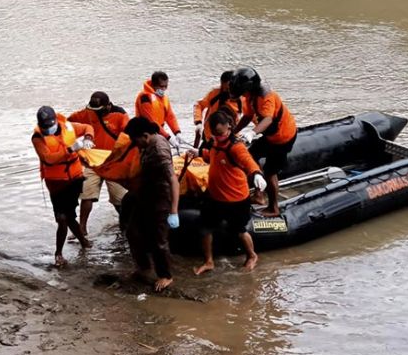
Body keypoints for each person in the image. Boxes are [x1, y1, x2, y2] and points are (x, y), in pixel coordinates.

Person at [188, 110, 267, 275]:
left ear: (229, 127)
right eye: (215, 134)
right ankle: (209, 261)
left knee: (239, 230)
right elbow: (211, 156)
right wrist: (199, 153)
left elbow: (248, 161)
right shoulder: (215, 142)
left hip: (235, 199)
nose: (218, 136)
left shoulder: (236, 147)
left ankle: (252, 256)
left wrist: (257, 174)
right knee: (205, 228)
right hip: (215, 196)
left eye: (221, 133)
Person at [31, 106, 94, 267]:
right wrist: (71, 149)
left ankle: (83, 242)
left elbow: (88, 127)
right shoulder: (38, 137)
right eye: (44, 127)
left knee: (69, 215)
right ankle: (59, 253)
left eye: (49, 126)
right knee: (62, 218)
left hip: (74, 179)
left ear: (55, 121)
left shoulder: (68, 126)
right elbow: (48, 159)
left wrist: (88, 138)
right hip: (56, 183)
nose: (47, 129)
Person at [122, 117, 180, 292]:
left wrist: (174, 211)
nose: (134, 143)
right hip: (146, 194)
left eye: (135, 139)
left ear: (145, 136)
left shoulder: (159, 150)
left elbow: (173, 180)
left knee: (159, 240)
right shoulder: (146, 144)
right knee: (133, 231)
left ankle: (166, 276)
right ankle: (144, 267)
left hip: (161, 197)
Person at [231, 67, 297, 217]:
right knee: (251, 156)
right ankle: (259, 195)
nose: (242, 96)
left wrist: (252, 133)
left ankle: (273, 208)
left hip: (282, 137)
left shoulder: (266, 96)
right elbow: (248, 116)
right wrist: (234, 132)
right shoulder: (250, 97)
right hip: (269, 136)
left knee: (270, 171)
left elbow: (268, 119)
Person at [68, 91, 129, 236]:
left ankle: (126, 226)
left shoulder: (120, 115)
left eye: (99, 110)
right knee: (87, 195)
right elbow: (67, 125)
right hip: (92, 161)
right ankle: (82, 228)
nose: (96, 113)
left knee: (119, 199)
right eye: (93, 110)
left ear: (108, 106)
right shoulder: (87, 113)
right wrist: (74, 141)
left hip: (113, 162)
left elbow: (128, 136)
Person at [193, 70, 243, 147]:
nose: (228, 91)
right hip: (211, 137)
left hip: (231, 138)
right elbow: (199, 105)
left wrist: (254, 132)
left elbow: (251, 115)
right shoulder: (215, 93)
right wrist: (198, 122)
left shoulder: (242, 98)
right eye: (225, 88)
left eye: (229, 88)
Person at [135, 71, 184, 148]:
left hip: (158, 132)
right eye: (161, 86)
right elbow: (150, 121)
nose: (164, 89)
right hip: (145, 136)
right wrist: (168, 137)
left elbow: (170, 116)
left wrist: (177, 132)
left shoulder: (164, 98)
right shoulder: (144, 97)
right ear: (154, 85)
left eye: (166, 86)